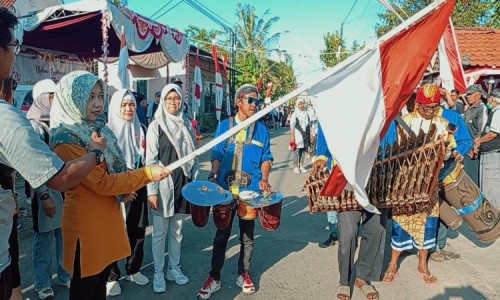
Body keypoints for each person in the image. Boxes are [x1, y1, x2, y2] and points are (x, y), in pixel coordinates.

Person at [0, 9, 109, 299]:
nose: (97, 103)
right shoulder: (12, 121)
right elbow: (60, 177)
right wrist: (97, 154)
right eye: (13, 46)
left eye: (100, 97)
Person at [49, 70, 171, 300]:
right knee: (86, 289)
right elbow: (102, 183)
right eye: (89, 97)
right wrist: (146, 173)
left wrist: (123, 192)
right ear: (71, 99)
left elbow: (110, 175)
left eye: (100, 96)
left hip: (106, 219)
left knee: (99, 288)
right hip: (87, 228)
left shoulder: (97, 129)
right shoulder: (66, 138)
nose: (97, 103)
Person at [197, 84, 273, 299]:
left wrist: (265, 179)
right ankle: (215, 277)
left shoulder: (261, 129)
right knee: (221, 234)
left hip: (250, 192)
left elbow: (266, 157)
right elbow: (217, 154)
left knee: (247, 236)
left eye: (257, 102)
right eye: (250, 100)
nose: (254, 105)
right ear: (238, 101)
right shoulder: (224, 126)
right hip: (225, 191)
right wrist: (213, 175)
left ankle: (244, 273)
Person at [383, 84, 457, 286]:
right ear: (417, 105)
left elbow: (451, 149)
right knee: (400, 221)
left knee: (429, 223)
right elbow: (394, 151)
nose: (429, 112)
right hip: (406, 182)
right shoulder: (405, 122)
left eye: (433, 107)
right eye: (426, 107)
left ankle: (422, 264)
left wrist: (446, 151)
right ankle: (392, 264)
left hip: (430, 183)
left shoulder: (442, 124)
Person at [146, 83, 198, 293]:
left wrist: (193, 182)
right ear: (162, 101)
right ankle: (159, 272)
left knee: (177, 231)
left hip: (181, 183)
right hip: (162, 186)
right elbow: (150, 160)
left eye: (176, 99)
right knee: (160, 232)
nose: (174, 102)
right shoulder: (155, 126)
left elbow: (193, 155)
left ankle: (173, 268)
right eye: (169, 99)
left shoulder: (186, 124)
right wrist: (151, 191)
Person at [26, 79, 71, 299]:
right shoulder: (34, 125)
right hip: (44, 191)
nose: (57, 101)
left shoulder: (55, 122)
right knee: (43, 238)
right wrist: (44, 196)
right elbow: (34, 165)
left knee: (62, 235)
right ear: (43, 98)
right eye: (52, 96)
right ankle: (42, 282)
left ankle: (64, 274)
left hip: (61, 190)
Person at [105, 90, 150, 296]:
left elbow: (145, 160)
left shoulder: (140, 129)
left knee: (137, 229)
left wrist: (135, 184)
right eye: (123, 105)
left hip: (137, 187)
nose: (128, 109)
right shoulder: (106, 132)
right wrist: (123, 186)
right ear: (115, 107)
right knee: (113, 231)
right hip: (113, 189)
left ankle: (133, 268)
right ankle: (112, 275)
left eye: (131, 104)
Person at [429, 104, 472, 262]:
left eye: (430, 106)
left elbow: (466, 140)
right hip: (422, 171)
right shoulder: (416, 115)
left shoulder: (452, 117)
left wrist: (458, 152)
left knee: (441, 208)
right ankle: (414, 244)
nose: (427, 110)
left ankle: (437, 247)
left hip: (445, 170)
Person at [312, 124, 338, 248]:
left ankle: (349, 233)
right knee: (330, 202)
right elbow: (322, 141)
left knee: (349, 202)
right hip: (330, 166)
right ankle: (333, 234)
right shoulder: (324, 117)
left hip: (349, 166)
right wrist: (320, 158)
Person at [475, 88, 500, 207]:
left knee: (491, 185)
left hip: (493, 154)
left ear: (494, 99)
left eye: (489, 98)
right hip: (488, 153)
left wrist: (479, 141)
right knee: (487, 185)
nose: (488, 100)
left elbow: (493, 134)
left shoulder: (498, 112)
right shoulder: (494, 112)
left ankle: (494, 212)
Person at [463, 84, 488, 185]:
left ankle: (476, 200)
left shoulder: (481, 108)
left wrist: (475, 149)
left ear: (478, 95)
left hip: (472, 151)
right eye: (467, 94)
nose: (468, 96)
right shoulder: (469, 108)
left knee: (472, 179)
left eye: (470, 94)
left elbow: (481, 131)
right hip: (464, 148)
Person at [290, 99, 311, 173]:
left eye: (302, 104)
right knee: (297, 150)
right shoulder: (295, 114)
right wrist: (292, 137)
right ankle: (295, 167)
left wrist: (310, 134)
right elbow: (292, 126)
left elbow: (308, 125)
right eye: (300, 104)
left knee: (303, 150)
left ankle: (301, 165)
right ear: (297, 105)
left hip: (305, 134)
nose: (301, 105)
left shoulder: (305, 113)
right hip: (297, 134)